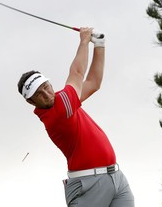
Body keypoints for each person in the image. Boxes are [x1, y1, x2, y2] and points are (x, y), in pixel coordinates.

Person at [17, 27, 135, 207]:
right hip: (87, 185)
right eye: (39, 94)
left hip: (116, 178)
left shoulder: (65, 100)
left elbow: (94, 83)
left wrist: (100, 46)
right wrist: (84, 40)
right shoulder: (56, 113)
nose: (47, 94)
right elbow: (77, 74)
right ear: (31, 102)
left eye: (46, 87)